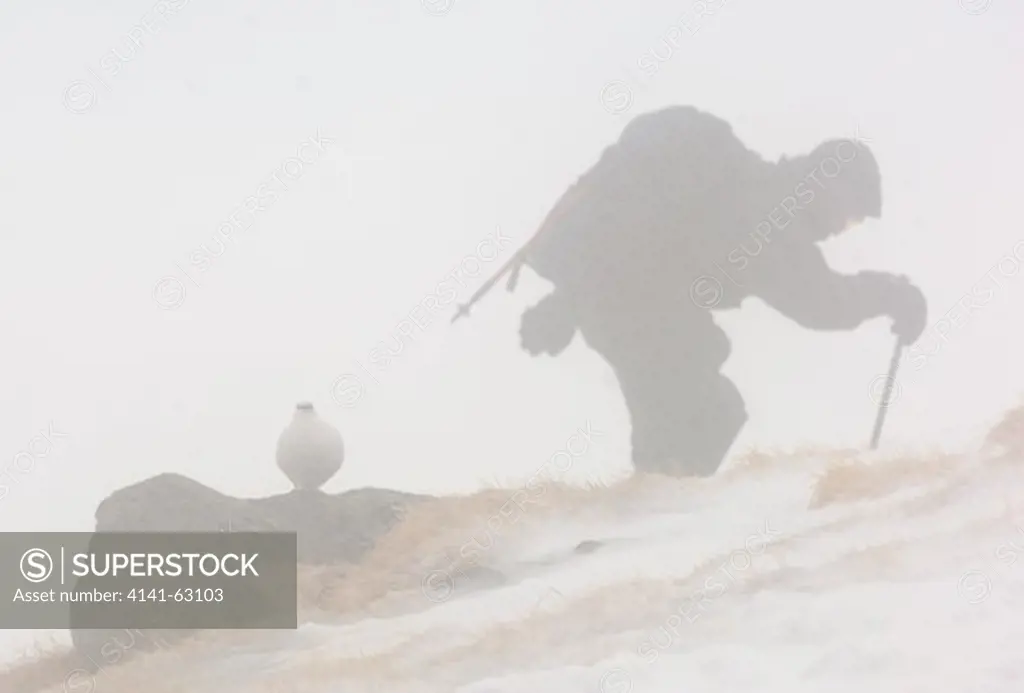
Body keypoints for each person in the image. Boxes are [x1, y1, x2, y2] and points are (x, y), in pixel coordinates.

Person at [510, 105, 927, 477]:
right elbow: (819, 304)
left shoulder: (747, 192)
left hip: (625, 306)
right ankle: (648, 523)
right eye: (851, 215)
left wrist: (568, 303)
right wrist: (892, 294)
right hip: (636, 314)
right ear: (829, 187)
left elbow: (655, 254)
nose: (843, 228)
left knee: (694, 406)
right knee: (705, 412)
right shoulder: (769, 212)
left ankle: (646, 515)